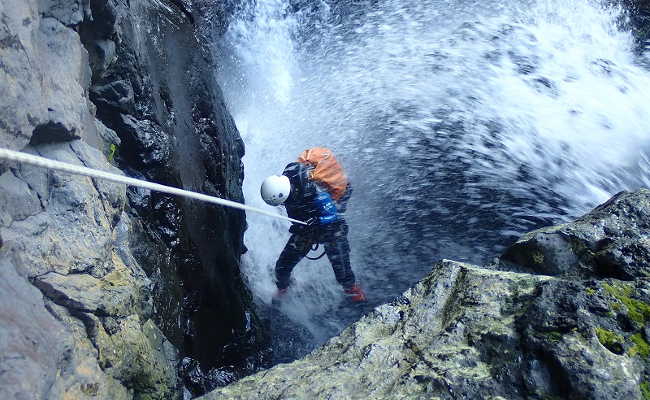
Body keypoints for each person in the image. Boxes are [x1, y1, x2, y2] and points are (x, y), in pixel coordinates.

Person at [260, 147, 366, 302]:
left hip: (331, 224)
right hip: (307, 225)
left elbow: (332, 215)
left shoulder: (313, 191)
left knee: (340, 263)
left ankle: (352, 289)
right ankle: (283, 286)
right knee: (282, 266)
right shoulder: (288, 183)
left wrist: (316, 221)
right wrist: (303, 226)